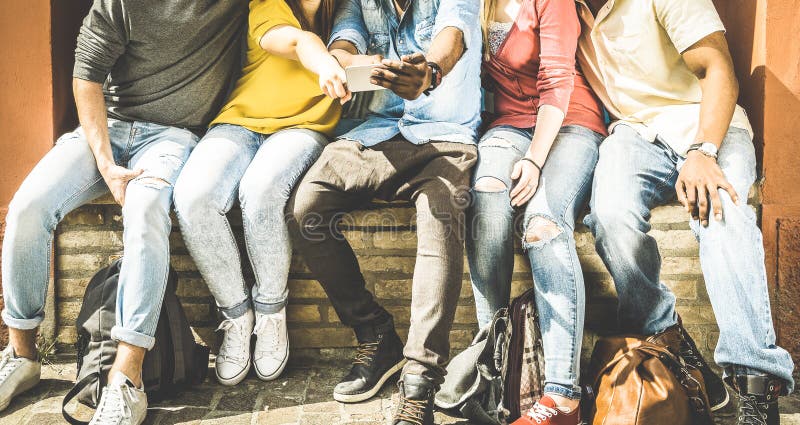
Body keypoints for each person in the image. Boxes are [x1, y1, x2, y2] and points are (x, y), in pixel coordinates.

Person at [0, 1, 246, 423]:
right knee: (27, 207)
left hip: (173, 138)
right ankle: (22, 354)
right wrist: (106, 163)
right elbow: (86, 75)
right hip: (107, 126)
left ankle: (126, 380)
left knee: (147, 209)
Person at [575, 1, 795, 424]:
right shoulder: (569, 11)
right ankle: (670, 340)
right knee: (610, 215)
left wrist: (703, 150)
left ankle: (756, 384)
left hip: (708, 123)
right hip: (635, 133)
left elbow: (717, 66)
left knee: (722, 216)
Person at [285, 0, 481, 422]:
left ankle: (420, 381)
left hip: (443, 139)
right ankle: (374, 332)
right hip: (374, 136)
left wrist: (428, 72)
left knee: (443, 217)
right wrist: (338, 64)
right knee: (307, 207)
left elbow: (453, 36)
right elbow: (344, 40)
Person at [173, 0, 350, 386]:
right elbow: (298, 42)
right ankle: (236, 317)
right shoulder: (267, 4)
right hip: (240, 123)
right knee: (194, 198)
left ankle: (271, 313)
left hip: (304, 128)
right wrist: (326, 64)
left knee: (261, 191)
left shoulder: (347, 15)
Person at [465, 0, 606, 423]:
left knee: (542, 223)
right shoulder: (475, 6)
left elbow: (558, 81)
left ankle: (563, 396)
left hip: (569, 123)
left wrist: (534, 159)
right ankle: (494, 363)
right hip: (508, 125)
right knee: (486, 196)